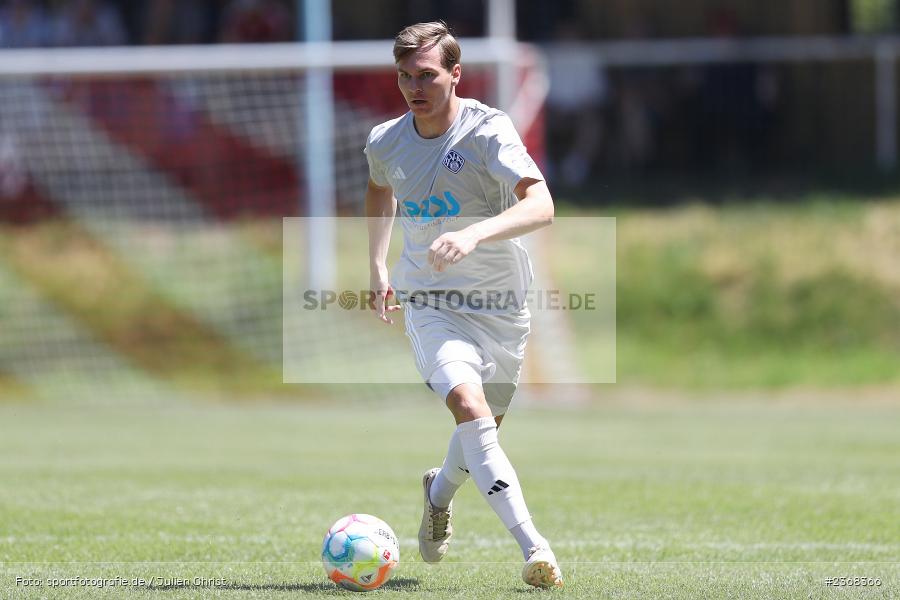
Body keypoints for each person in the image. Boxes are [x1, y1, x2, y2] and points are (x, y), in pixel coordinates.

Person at [364, 21, 562, 589]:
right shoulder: (386, 140)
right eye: (404, 76)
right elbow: (379, 187)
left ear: (455, 74)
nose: (413, 87)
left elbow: (542, 204)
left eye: (426, 75)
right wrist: (377, 264)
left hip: (501, 305)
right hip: (432, 302)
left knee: (482, 432)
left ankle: (438, 492)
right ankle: (535, 548)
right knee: (468, 407)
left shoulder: (487, 130)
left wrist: (474, 233)